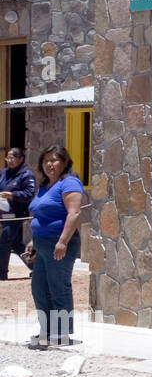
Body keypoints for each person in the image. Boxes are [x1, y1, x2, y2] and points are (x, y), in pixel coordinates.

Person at [25, 145, 85, 349]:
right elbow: (40, 215)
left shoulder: (69, 183)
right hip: (42, 243)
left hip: (59, 242)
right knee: (39, 287)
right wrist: (34, 240)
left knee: (58, 286)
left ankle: (62, 333)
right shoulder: (45, 185)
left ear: (65, 162)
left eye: (55, 159)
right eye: (46, 160)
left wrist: (63, 241)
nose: (50, 164)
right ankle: (47, 329)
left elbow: (74, 214)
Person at [0, 147, 36, 280]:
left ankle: (1, 273)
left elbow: (29, 193)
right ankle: (36, 268)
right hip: (4, 213)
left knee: (4, 239)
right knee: (15, 243)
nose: (9, 160)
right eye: (7, 158)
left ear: (21, 159)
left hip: (17, 214)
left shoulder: (26, 175)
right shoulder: (4, 173)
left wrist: (13, 195)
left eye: (12, 158)